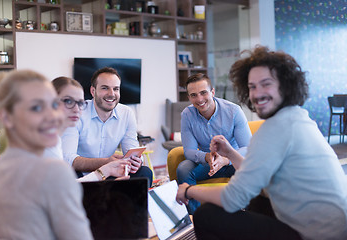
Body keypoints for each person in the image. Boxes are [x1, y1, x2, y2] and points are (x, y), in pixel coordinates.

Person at [176, 46, 347, 240]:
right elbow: (254, 172)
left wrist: (189, 190)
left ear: (286, 85)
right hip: (333, 226)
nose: (257, 94)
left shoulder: (274, 129)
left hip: (316, 234)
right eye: (252, 87)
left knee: (205, 215)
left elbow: (234, 198)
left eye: (266, 84)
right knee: (259, 199)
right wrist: (230, 152)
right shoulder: (297, 118)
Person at [0, 70, 93, 239]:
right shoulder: (54, 172)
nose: (52, 116)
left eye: (53, 105)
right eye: (36, 108)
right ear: (7, 117)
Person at [62, 67, 153, 186]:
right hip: (81, 178)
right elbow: (68, 159)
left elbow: (131, 151)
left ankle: (120, 201)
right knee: (68, 173)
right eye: (105, 88)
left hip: (110, 175)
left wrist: (136, 161)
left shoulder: (126, 113)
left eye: (116, 89)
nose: (111, 94)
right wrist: (106, 163)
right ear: (93, 91)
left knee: (145, 173)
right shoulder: (77, 112)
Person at [177, 73, 251, 213]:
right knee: (184, 168)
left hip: (232, 162)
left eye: (203, 93)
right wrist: (207, 157)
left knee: (249, 166)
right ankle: (195, 219)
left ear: (212, 92)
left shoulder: (233, 111)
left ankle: (246, 216)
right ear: (189, 97)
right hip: (208, 163)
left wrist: (225, 159)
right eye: (193, 95)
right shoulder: (187, 115)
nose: (199, 99)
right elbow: (189, 151)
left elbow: (247, 148)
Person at [47, 76, 131, 182]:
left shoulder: (55, 141)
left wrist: (107, 172)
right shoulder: (44, 145)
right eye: (68, 101)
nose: (76, 109)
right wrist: (106, 172)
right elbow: (62, 190)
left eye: (80, 103)